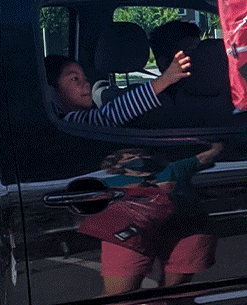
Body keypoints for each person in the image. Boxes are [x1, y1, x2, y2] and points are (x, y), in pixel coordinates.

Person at [97, 144, 222, 294]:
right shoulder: (108, 182)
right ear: (116, 165)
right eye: (131, 158)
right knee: (118, 294)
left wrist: (216, 142)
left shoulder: (173, 169)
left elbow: (206, 156)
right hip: (132, 235)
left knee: (173, 292)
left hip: (183, 230)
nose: (139, 159)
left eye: (143, 156)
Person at [44, 50, 190, 126]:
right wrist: (165, 80)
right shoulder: (68, 122)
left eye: (85, 79)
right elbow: (111, 114)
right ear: (51, 91)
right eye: (74, 79)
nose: (86, 84)